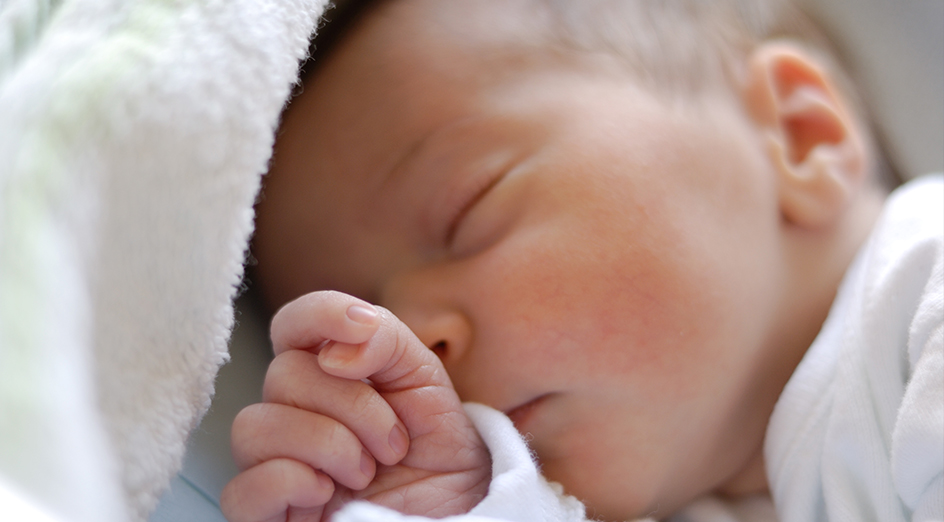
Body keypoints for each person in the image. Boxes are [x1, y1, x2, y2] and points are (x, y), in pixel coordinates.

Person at [219, 0, 943, 520]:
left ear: (799, 133)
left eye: (467, 212)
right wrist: (455, 503)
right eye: (367, 324)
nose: (415, 343)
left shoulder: (920, 296)